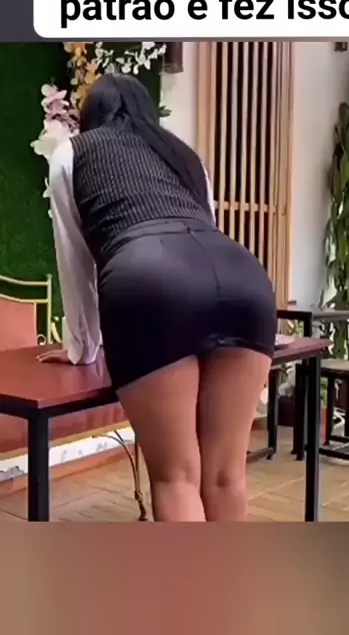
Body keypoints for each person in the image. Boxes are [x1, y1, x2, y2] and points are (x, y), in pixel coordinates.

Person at [38, 74, 276, 522]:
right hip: (244, 277)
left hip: (151, 281)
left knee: (176, 477)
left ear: (89, 115)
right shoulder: (184, 155)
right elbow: (206, 224)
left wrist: (82, 349)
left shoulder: (72, 152)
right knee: (226, 477)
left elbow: (76, 262)